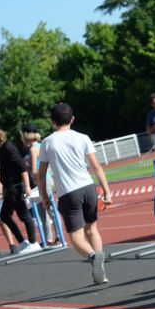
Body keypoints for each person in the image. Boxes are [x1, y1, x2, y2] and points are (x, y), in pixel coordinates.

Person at [38, 103, 113, 285]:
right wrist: (107, 192)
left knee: (75, 237)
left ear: (52, 121)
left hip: (68, 193)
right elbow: (96, 167)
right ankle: (100, 272)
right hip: (88, 188)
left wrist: (45, 197)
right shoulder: (83, 137)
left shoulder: (47, 143)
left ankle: (94, 257)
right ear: (72, 119)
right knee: (92, 229)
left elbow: (41, 175)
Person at [0, 128, 41, 253]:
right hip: (9, 188)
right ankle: (22, 242)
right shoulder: (2, 150)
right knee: (4, 215)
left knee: (24, 215)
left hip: (17, 186)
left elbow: (22, 167)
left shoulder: (9, 148)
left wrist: (27, 186)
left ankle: (33, 243)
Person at [20, 124, 59, 247]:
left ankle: (58, 238)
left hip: (42, 181)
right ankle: (49, 238)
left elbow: (33, 170)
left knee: (49, 209)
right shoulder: (41, 145)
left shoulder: (33, 149)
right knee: (44, 211)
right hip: (44, 180)